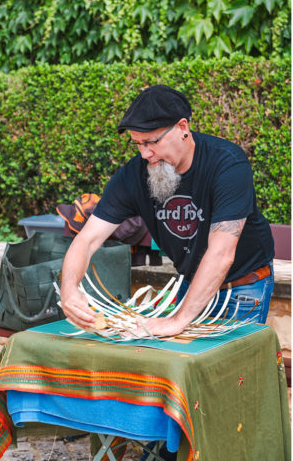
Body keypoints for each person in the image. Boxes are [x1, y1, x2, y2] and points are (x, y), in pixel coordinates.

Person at [60, 84, 275, 338]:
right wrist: (69, 288)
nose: (146, 154)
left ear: (182, 128)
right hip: (191, 286)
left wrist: (178, 320)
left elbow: (221, 253)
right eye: (137, 144)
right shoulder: (134, 174)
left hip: (241, 290)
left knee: (231, 374)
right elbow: (87, 238)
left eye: (152, 142)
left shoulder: (227, 164)